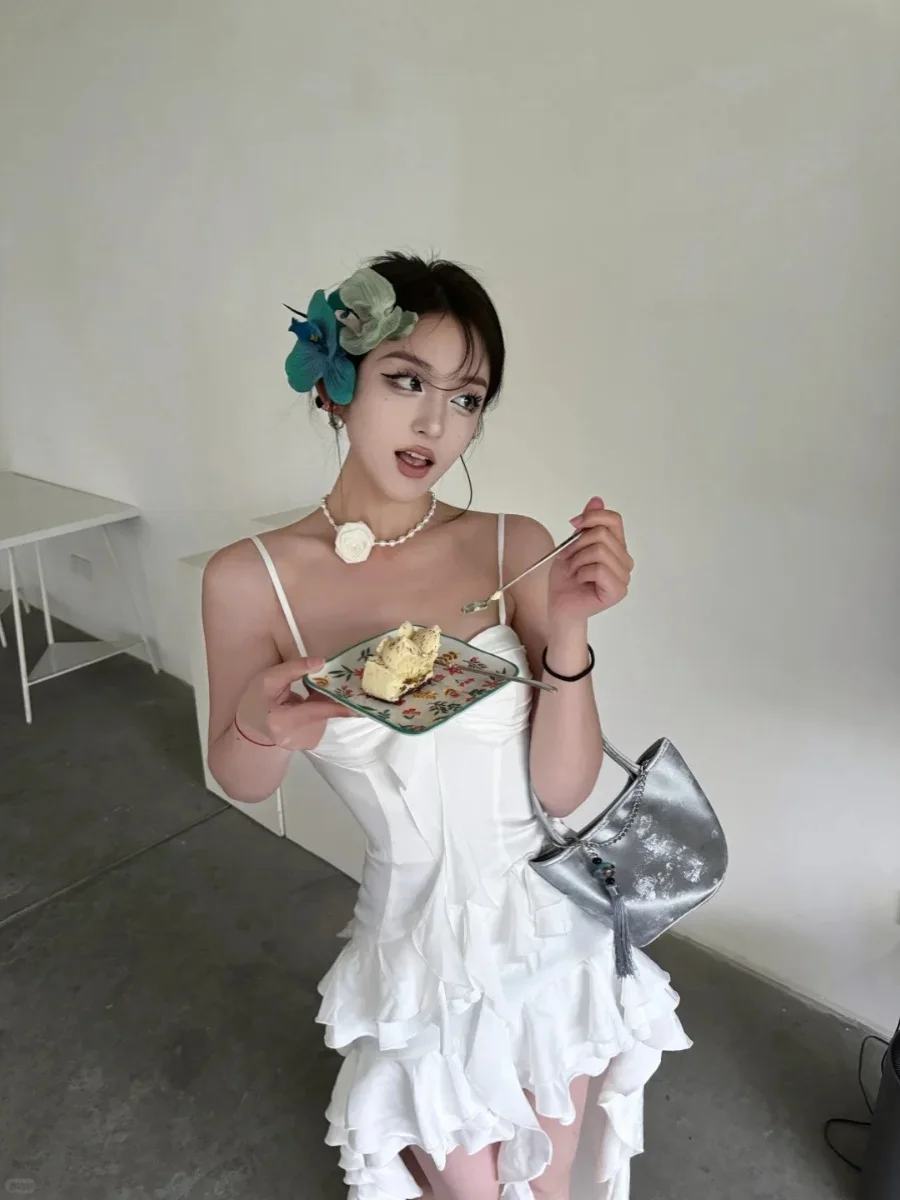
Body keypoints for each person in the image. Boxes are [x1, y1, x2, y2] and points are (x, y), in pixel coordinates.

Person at [202, 253, 690, 1200]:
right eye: (406, 381)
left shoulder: (513, 545)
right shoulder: (249, 578)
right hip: (416, 946)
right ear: (336, 386)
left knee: (549, 1183)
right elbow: (242, 778)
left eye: (466, 398)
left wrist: (571, 628)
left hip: (548, 925)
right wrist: (260, 723)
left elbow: (561, 790)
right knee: (471, 1188)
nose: (435, 424)